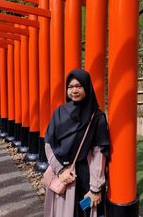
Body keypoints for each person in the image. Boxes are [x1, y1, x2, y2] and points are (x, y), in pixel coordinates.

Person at [44, 69, 110, 217]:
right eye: (70, 87)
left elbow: (99, 154)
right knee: (61, 212)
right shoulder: (59, 112)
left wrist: (95, 188)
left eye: (79, 86)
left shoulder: (97, 117)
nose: (74, 90)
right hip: (62, 177)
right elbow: (49, 144)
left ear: (87, 87)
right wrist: (60, 170)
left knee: (83, 210)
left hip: (85, 180)